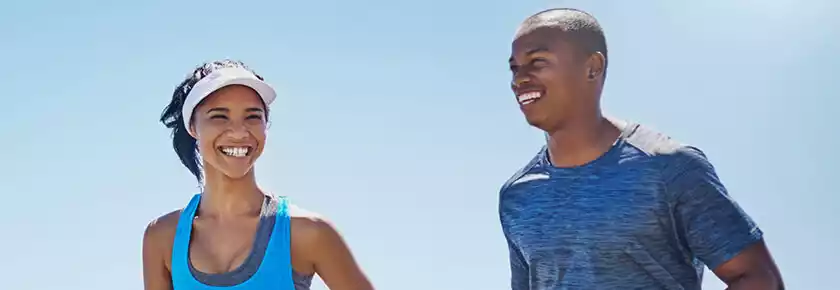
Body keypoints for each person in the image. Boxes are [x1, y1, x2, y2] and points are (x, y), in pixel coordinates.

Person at [499, 8, 784, 290]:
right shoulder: (518, 196)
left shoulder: (670, 168)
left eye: (537, 62)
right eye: (515, 67)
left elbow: (758, 279)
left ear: (592, 68)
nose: (519, 78)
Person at [142, 60, 374, 290]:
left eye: (252, 116)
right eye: (219, 116)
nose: (239, 132)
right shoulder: (163, 238)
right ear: (192, 126)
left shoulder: (308, 233)